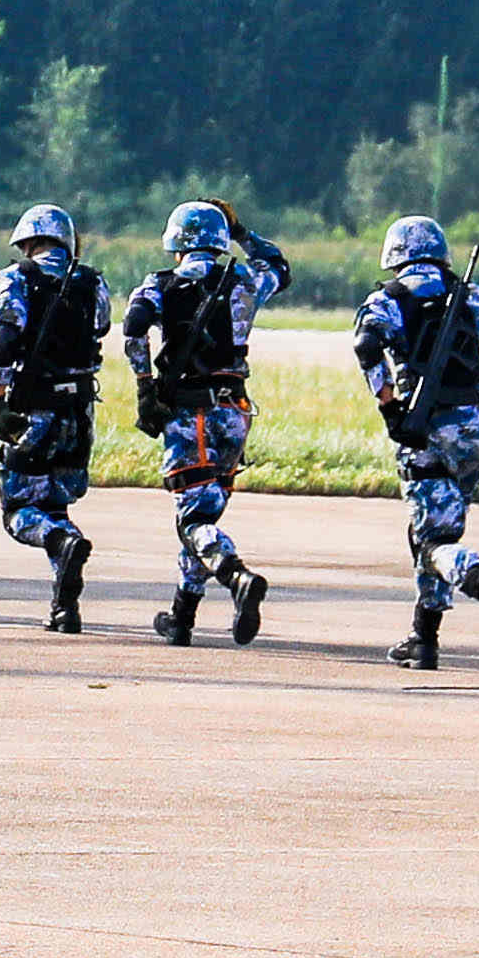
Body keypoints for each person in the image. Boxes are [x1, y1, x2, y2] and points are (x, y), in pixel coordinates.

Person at [119, 197, 291, 647]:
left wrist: (144, 384)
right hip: (235, 412)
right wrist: (243, 233)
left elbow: (133, 328)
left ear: (176, 243)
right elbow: (280, 266)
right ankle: (182, 616)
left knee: (193, 521)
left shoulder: (160, 285)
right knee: (204, 517)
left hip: (189, 413)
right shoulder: (247, 280)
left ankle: (237, 578)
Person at [356, 213, 479, 671]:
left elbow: (367, 346)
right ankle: (423, 638)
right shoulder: (470, 295)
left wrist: (389, 406)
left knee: (433, 543)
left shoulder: (388, 300)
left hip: (423, 426)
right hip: (473, 425)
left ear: (394, 255)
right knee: (438, 531)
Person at [0, 205, 108, 631]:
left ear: (27, 242)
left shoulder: (14, 278)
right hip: (78, 414)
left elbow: (3, 341)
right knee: (56, 503)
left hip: (32, 409)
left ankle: (62, 543)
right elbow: (102, 328)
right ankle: (65, 607)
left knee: (20, 511)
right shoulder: (93, 282)